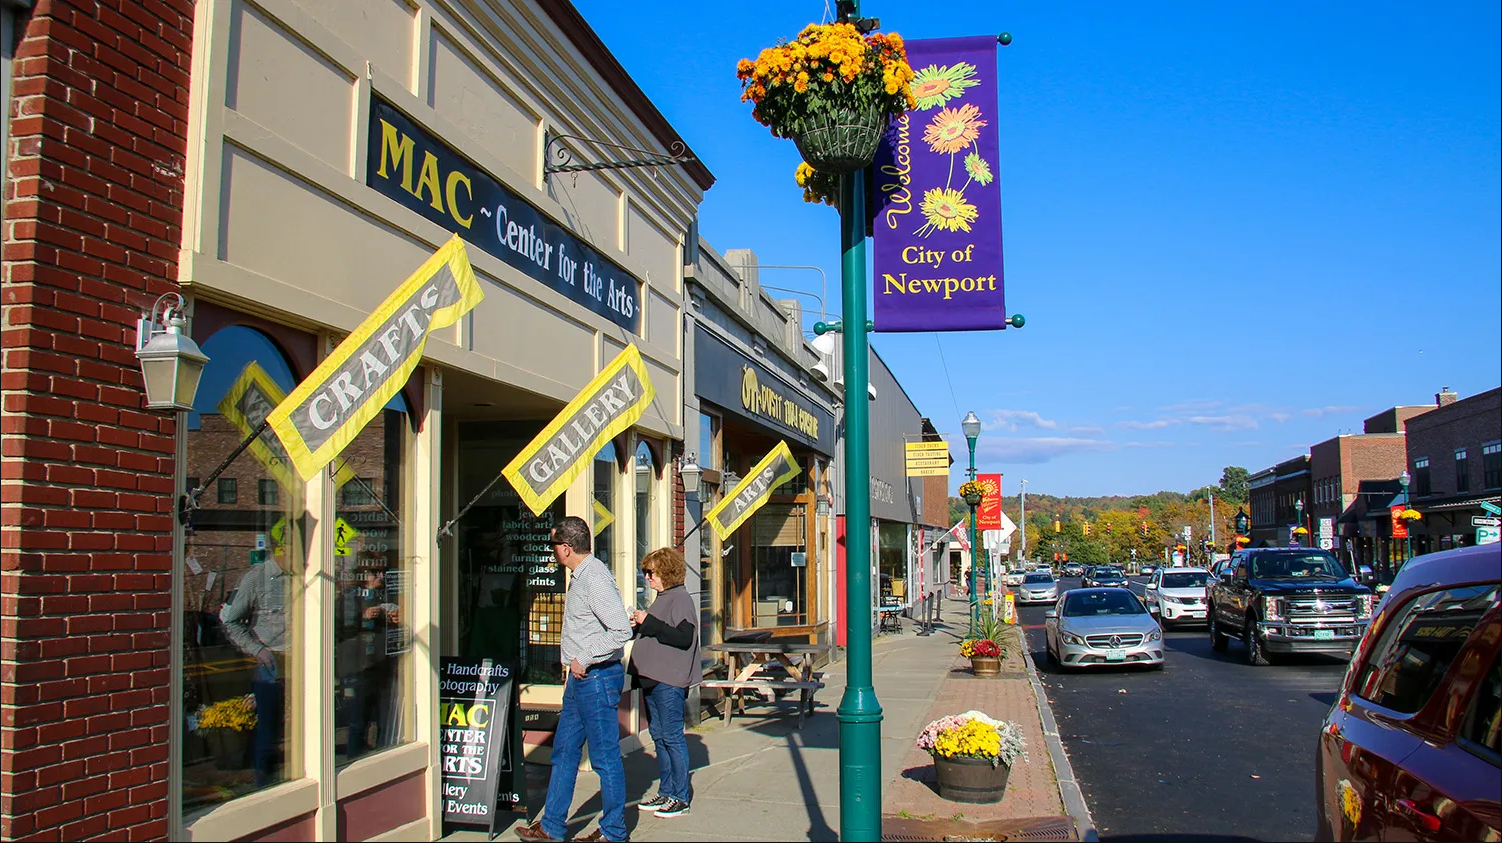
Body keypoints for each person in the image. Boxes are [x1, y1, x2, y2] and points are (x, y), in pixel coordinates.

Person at [517, 516, 634, 843]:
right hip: (580, 681)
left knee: (605, 759)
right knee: (564, 752)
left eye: (553, 544)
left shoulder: (594, 578)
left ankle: (614, 833)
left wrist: (584, 657)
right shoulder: (580, 576)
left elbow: (621, 630)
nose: (552, 550)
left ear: (566, 548)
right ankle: (551, 827)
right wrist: (573, 667)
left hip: (597, 679)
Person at [628, 547, 699, 819]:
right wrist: (640, 626)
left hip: (668, 680)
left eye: (651, 572)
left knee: (671, 737)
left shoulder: (680, 598)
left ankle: (680, 797)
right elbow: (661, 631)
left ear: (666, 572)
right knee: (659, 736)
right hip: (654, 678)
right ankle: (667, 791)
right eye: (645, 572)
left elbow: (683, 637)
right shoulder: (664, 598)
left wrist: (648, 622)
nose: (647, 577)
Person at [220, 547, 291, 787]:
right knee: (267, 728)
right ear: (283, 549)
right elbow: (232, 622)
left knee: (296, 726)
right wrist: (257, 650)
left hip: (300, 660)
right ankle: (264, 785)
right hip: (270, 663)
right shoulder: (255, 578)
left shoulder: (302, 577)